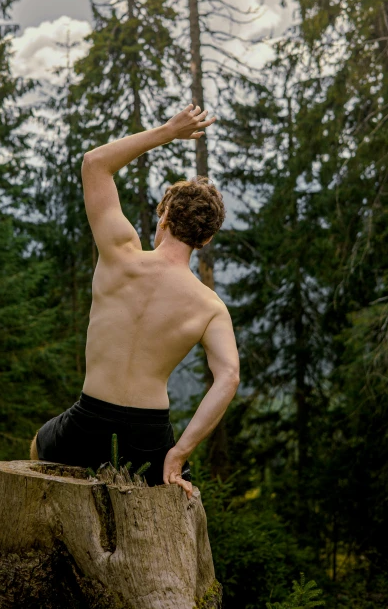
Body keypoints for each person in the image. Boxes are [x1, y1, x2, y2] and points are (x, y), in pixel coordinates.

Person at [30, 104, 240, 498]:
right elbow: (228, 377)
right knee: (172, 502)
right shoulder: (210, 306)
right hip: (149, 435)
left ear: (162, 217)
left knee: (40, 446)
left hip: (88, 417)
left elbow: (95, 163)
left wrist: (168, 131)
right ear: (206, 239)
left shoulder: (118, 253)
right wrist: (180, 452)